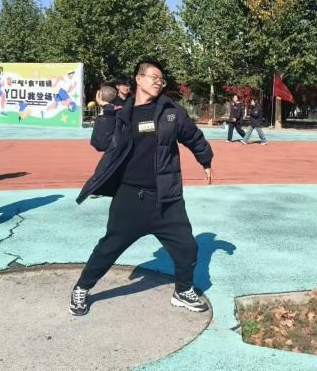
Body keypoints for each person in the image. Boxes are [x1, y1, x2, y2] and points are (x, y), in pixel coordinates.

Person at [69, 59, 214, 316]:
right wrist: (106, 112)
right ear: (138, 79)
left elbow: (193, 136)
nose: (158, 82)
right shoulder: (121, 112)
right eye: (153, 77)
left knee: (187, 247)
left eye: (161, 79)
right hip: (130, 198)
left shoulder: (171, 111)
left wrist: (205, 160)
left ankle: (183, 291)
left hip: (166, 198)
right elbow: (100, 142)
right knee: (108, 248)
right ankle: (82, 288)